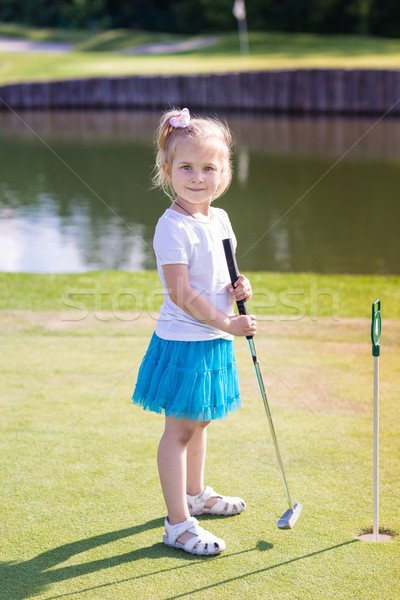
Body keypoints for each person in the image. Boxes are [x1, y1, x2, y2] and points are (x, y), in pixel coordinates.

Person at [132, 107, 256, 556]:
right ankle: (177, 524)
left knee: (201, 420)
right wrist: (229, 322)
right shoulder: (172, 226)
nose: (198, 176)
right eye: (186, 167)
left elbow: (219, 276)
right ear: (167, 171)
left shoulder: (218, 219)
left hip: (213, 337)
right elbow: (182, 292)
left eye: (209, 167)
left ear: (225, 172)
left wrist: (239, 287)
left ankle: (195, 493)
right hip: (186, 342)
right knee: (180, 431)